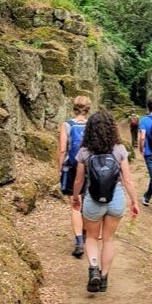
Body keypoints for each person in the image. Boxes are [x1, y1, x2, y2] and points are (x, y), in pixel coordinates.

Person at [72, 110, 138, 292]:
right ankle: (103, 278)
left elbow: (79, 180)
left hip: (93, 199)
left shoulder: (84, 151)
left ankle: (93, 268)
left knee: (92, 237)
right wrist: (134, 202)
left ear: (90, 129)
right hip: (115, 198)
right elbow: (128, 180)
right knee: (108, 239)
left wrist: (76, 197)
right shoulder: (119, 149)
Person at [57, 95, 92, 258]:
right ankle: (86, 231)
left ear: (74, 107)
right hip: (90, 168)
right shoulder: (93, 124)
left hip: (71, 168)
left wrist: (59, 169)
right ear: (88, 109)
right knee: (87, 201)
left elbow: (63, 149)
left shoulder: (67, 125)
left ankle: (79, 241)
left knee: (75, 204)